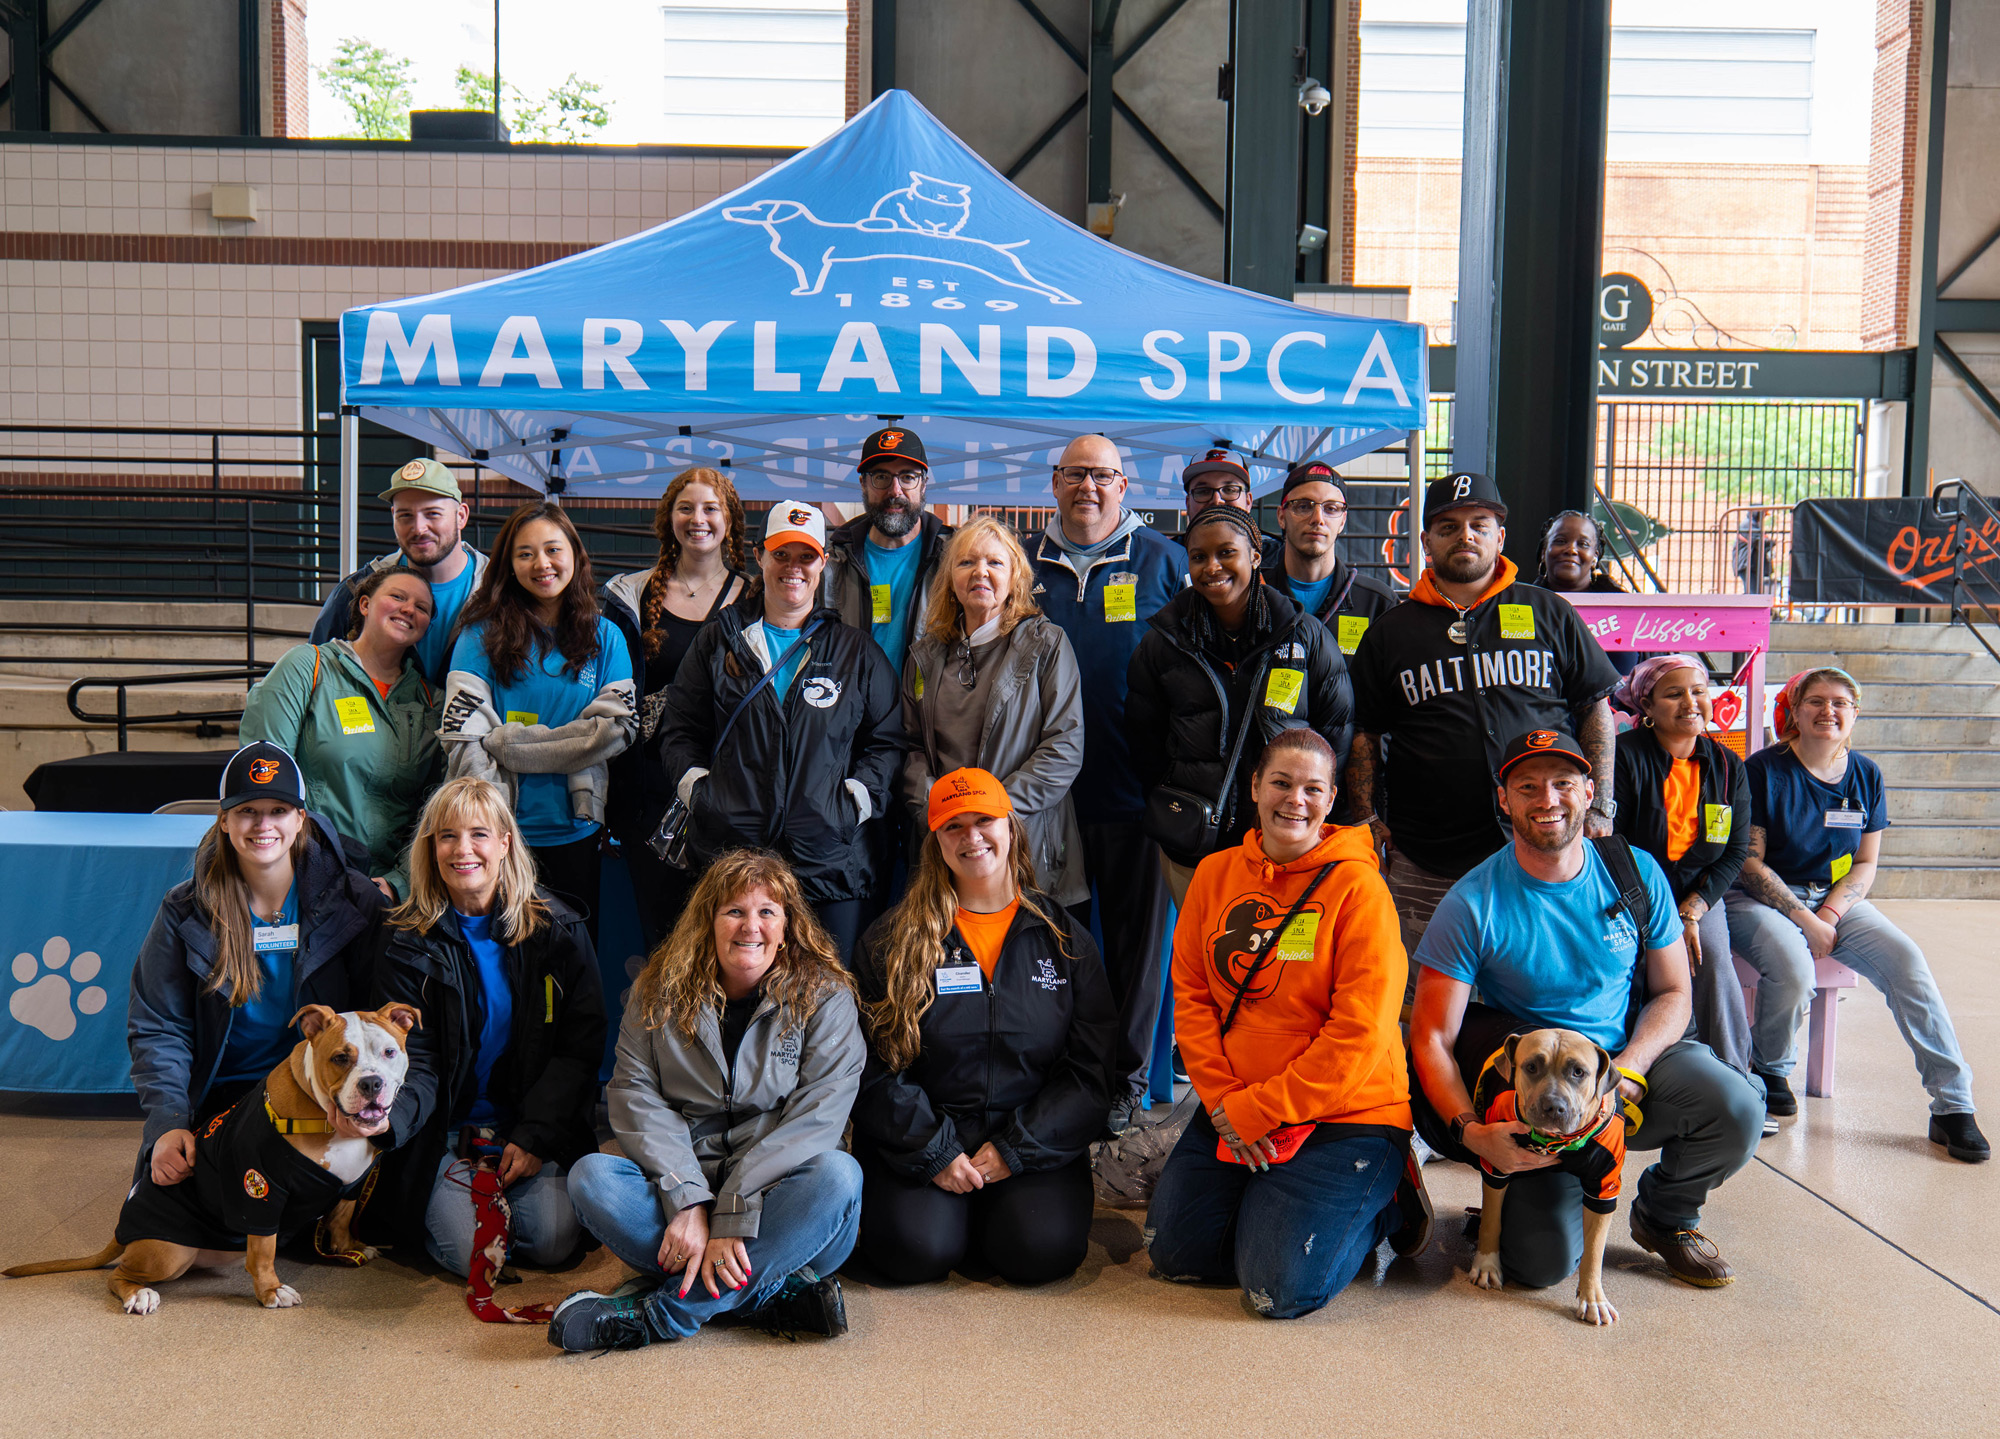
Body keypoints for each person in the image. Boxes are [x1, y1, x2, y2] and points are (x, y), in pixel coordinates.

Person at [1410, 729, 1764, 1290]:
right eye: (1527, 787)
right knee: (1539, 1268)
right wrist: (1472, 1131)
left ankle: (1665, 1217)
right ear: (1504, 799)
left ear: (1589, 790)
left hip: (1626, 1060)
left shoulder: (1634, 872)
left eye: (1563, 784)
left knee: (1737, 1105)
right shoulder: (1474, 901)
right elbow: (1430, 1036)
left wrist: (1626, 1071)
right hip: (1540, 1089)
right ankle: (1538, 1200)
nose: (1548, 799)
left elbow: (1674, 993)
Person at [1146, 729, 1430, 1318]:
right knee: (1176, 1255)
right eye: (1280, 782)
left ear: (1331, 802)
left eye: (1312, 789)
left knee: (1276, 1291)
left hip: (1344, 1113)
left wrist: (1261, 1111)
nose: (1294, 800)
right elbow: (1193, 997)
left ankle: (1388, 1199)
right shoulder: (1214, 874)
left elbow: (1361, 1032)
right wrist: (1227, 1103)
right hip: (1237, 1105)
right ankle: (1272, 1203)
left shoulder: (1360, 888)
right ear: (1255, 786)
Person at [552, 849, 865, 1350]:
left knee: (838, 1175)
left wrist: (733, 1213)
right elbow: (633, 1095)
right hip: (688, 1193)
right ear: (708, 921)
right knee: (591, 1176)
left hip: (781, 1203)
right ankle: (773, 1291)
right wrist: (690, 1199)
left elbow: (818, 1119)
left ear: (787, 927)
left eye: (768, 911)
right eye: (734, 911)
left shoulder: (827, 997)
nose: (751, 926)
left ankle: (665, 1313)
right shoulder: (655, 992)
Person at [852, 770, 1115, 1286]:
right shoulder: (892, 940)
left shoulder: (1064, 938)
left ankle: (990, 1215)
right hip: (926, 1134)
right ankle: (953, 1218)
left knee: (1041, 1252)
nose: (972, 837)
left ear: (1011, 828)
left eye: (984, 821)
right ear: (936, 843)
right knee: (915, 1251)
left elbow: (1090, 1072)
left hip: (1030, 1133)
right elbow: (871, 1069)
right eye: (953, 826)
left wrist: (1017, 1148)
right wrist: (936, 1151)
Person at [1345, 471, 1622, 957]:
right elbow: (1366, 733)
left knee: (1539, 995)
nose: (1465, 535)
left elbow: (1594, 708)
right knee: (1422, 1001)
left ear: (1501, 537)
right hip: (1428, 852)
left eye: (1479, 523)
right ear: (1427, 540)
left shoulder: (1549, 611)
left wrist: (1600, 806)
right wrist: (1367, 816)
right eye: (1448, 526)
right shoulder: (1392, 630)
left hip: (1547, 844)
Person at [1724, 669, 1986, 1161]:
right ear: (1794, 711)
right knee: (1794, 966)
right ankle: (1770, 1068)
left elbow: (1866, 863)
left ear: (1855, 713)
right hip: (1760, 898)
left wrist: (1830, 910)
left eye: (1841, 702)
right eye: (1816, 701)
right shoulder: (1763, 770)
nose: (1829, 711)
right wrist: (1809, 922)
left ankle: (1953, 1107)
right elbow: (1749, 862)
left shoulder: (1866, 774)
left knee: (1909, 963)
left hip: (1836, 899)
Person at [369, 777, 607, 1273]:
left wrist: (536, 1137)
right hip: (441, 1132)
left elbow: (578, 1047)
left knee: (552, 1242)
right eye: (447, 836)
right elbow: (416, 1060)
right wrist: (392, 1126)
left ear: (505, 842)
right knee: (474, 1254)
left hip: (526, 1127)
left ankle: (497, 1204)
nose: (463, 850)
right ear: (430, 848)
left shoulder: (559, 932)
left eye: (479, 834)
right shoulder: (403, 942)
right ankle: (454, 1193)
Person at [127, 742, 385, 1189]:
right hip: (224, 1094)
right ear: (224, 821)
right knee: (172, 1231)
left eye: (279, 810)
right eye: (247, 811)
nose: (263, 825)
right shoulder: (185, 908)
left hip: (325, 1090)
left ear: (300, 819)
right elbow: (159, 1026)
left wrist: (372, 1102)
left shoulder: (355, 900)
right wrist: (168, 1121)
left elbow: (385, 1017)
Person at [658, 501, 906, 961]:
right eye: (782, 554)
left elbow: (888, 739)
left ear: (823, 563)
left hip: (831, 863)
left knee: (830, 995)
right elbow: (679, 728)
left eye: (806, 556)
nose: (794, 568)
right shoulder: (719, 641)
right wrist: (700, 792)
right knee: (740, 989)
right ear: (760, 556)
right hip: (734, 859)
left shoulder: (856, 652)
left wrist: (854, 801)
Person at [1031, 433, 1186, 1132]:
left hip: (1134, 795)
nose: (1088, 486)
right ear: (1053, 483)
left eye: (1103, 475)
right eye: (1075, 475)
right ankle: (1051, 1079)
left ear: (1126, 487)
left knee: (1136, 955)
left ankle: (1125, 1084)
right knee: (1044, 951)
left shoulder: (1165, 562)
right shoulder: (1021, 565)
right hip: (1041, 800)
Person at [1127, 505, 1354, 906]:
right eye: (1199, 557)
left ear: (1254, 555)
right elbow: (1143, 740)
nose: (1212, 566)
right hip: (1195, 844)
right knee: (1204, 956)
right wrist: (1181, 794)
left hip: (1284, 840)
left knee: (1278, 962)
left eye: (1226, 553)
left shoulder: (1303, 634)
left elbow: (1334, 731)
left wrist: (1305, 805)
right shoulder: (1163, 643)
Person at [442, 500, 636, 940]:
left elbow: (614, 731)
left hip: (577, 829)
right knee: (505, 959)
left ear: (574, 555)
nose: (541, 564)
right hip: (497, 836)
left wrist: (506, 745)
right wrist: (489, 825)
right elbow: (462, 735)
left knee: (571, 964)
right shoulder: (479, 635)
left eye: (552, 549)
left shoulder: (607, 637)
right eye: (525, 553)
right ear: (509, 565)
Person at [900, 516, 1086, 909]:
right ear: (949, 577)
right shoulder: (925, 657)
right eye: (966, 562)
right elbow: (909, 745)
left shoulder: (1047, 645)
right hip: (948, 848)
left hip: (1027, 845)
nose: (979, 572)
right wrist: (938, 804)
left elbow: (1064, 747)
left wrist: (990, 814)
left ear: (1015, 576)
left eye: (994, 563)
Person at [600, 467, 749, 947]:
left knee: (723, 938)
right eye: (686, 508)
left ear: (729, 520)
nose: (698, 519)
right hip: (649, 793)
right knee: (660, 940)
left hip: (726, 796)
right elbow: (610, 689)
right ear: (669, 518)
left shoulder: (754, 597)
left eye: (711, 508)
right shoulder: (632, 596)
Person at [240, 568, 442, 901]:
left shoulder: (430, 700)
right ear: (364, 604)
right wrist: (304, 871)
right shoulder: (309, 667)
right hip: (302, 881)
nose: (409, 609)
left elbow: (435, 811)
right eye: (397, 597)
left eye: (422, 608)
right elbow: (263, 780)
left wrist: (397, 883)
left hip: (385, 896)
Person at [1611, 655, 1759, 1091]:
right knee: (1624, 960)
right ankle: (1630, 1071)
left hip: (1697, 894)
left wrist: (1692, 910)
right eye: (1673, 694)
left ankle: (1736, 1079)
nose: (1690, 702)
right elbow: (1611, 843)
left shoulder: (1729, 766)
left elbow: (1734, 850)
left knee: (1709, 954)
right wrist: (1657, 913)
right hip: (1628, 892)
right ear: (1648, 707)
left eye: (1698, 691)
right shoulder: (1624, 758)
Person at [310, 457, 487, 684]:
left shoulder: (499, 589)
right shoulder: (356, 590)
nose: (419, 528)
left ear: (461, 516)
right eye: (405, 516)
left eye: (432, 513)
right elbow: (315, 678)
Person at [822, 426, 953, 682]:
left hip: (926, 716)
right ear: (863, 483)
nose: (895, 491)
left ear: (924, 484)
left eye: (907, 477)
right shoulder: (832, 561)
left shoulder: (954, 558)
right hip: (854, 714)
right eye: (881, 477)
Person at [1260, 459, 1398, 658]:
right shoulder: (1255, 596)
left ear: (1342, 520)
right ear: (1281, 517)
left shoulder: (1377, 603)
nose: (1318, 518)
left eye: (1331, 508)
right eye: (1303, 506)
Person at [1536, 509, 1638, 679]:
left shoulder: (1625, 610)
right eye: (1560, 541)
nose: (1571, 550)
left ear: (1595, 557)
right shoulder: (1522, 606)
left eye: (1583, 544)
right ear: (1543, 553)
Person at [1170, 448, 1281, 565]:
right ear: (1187, 503)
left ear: (1248, 502)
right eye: (1203, 491)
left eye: (1229, 490)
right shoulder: (1170, 557)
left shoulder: (1277, 557)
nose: (1217, 500)